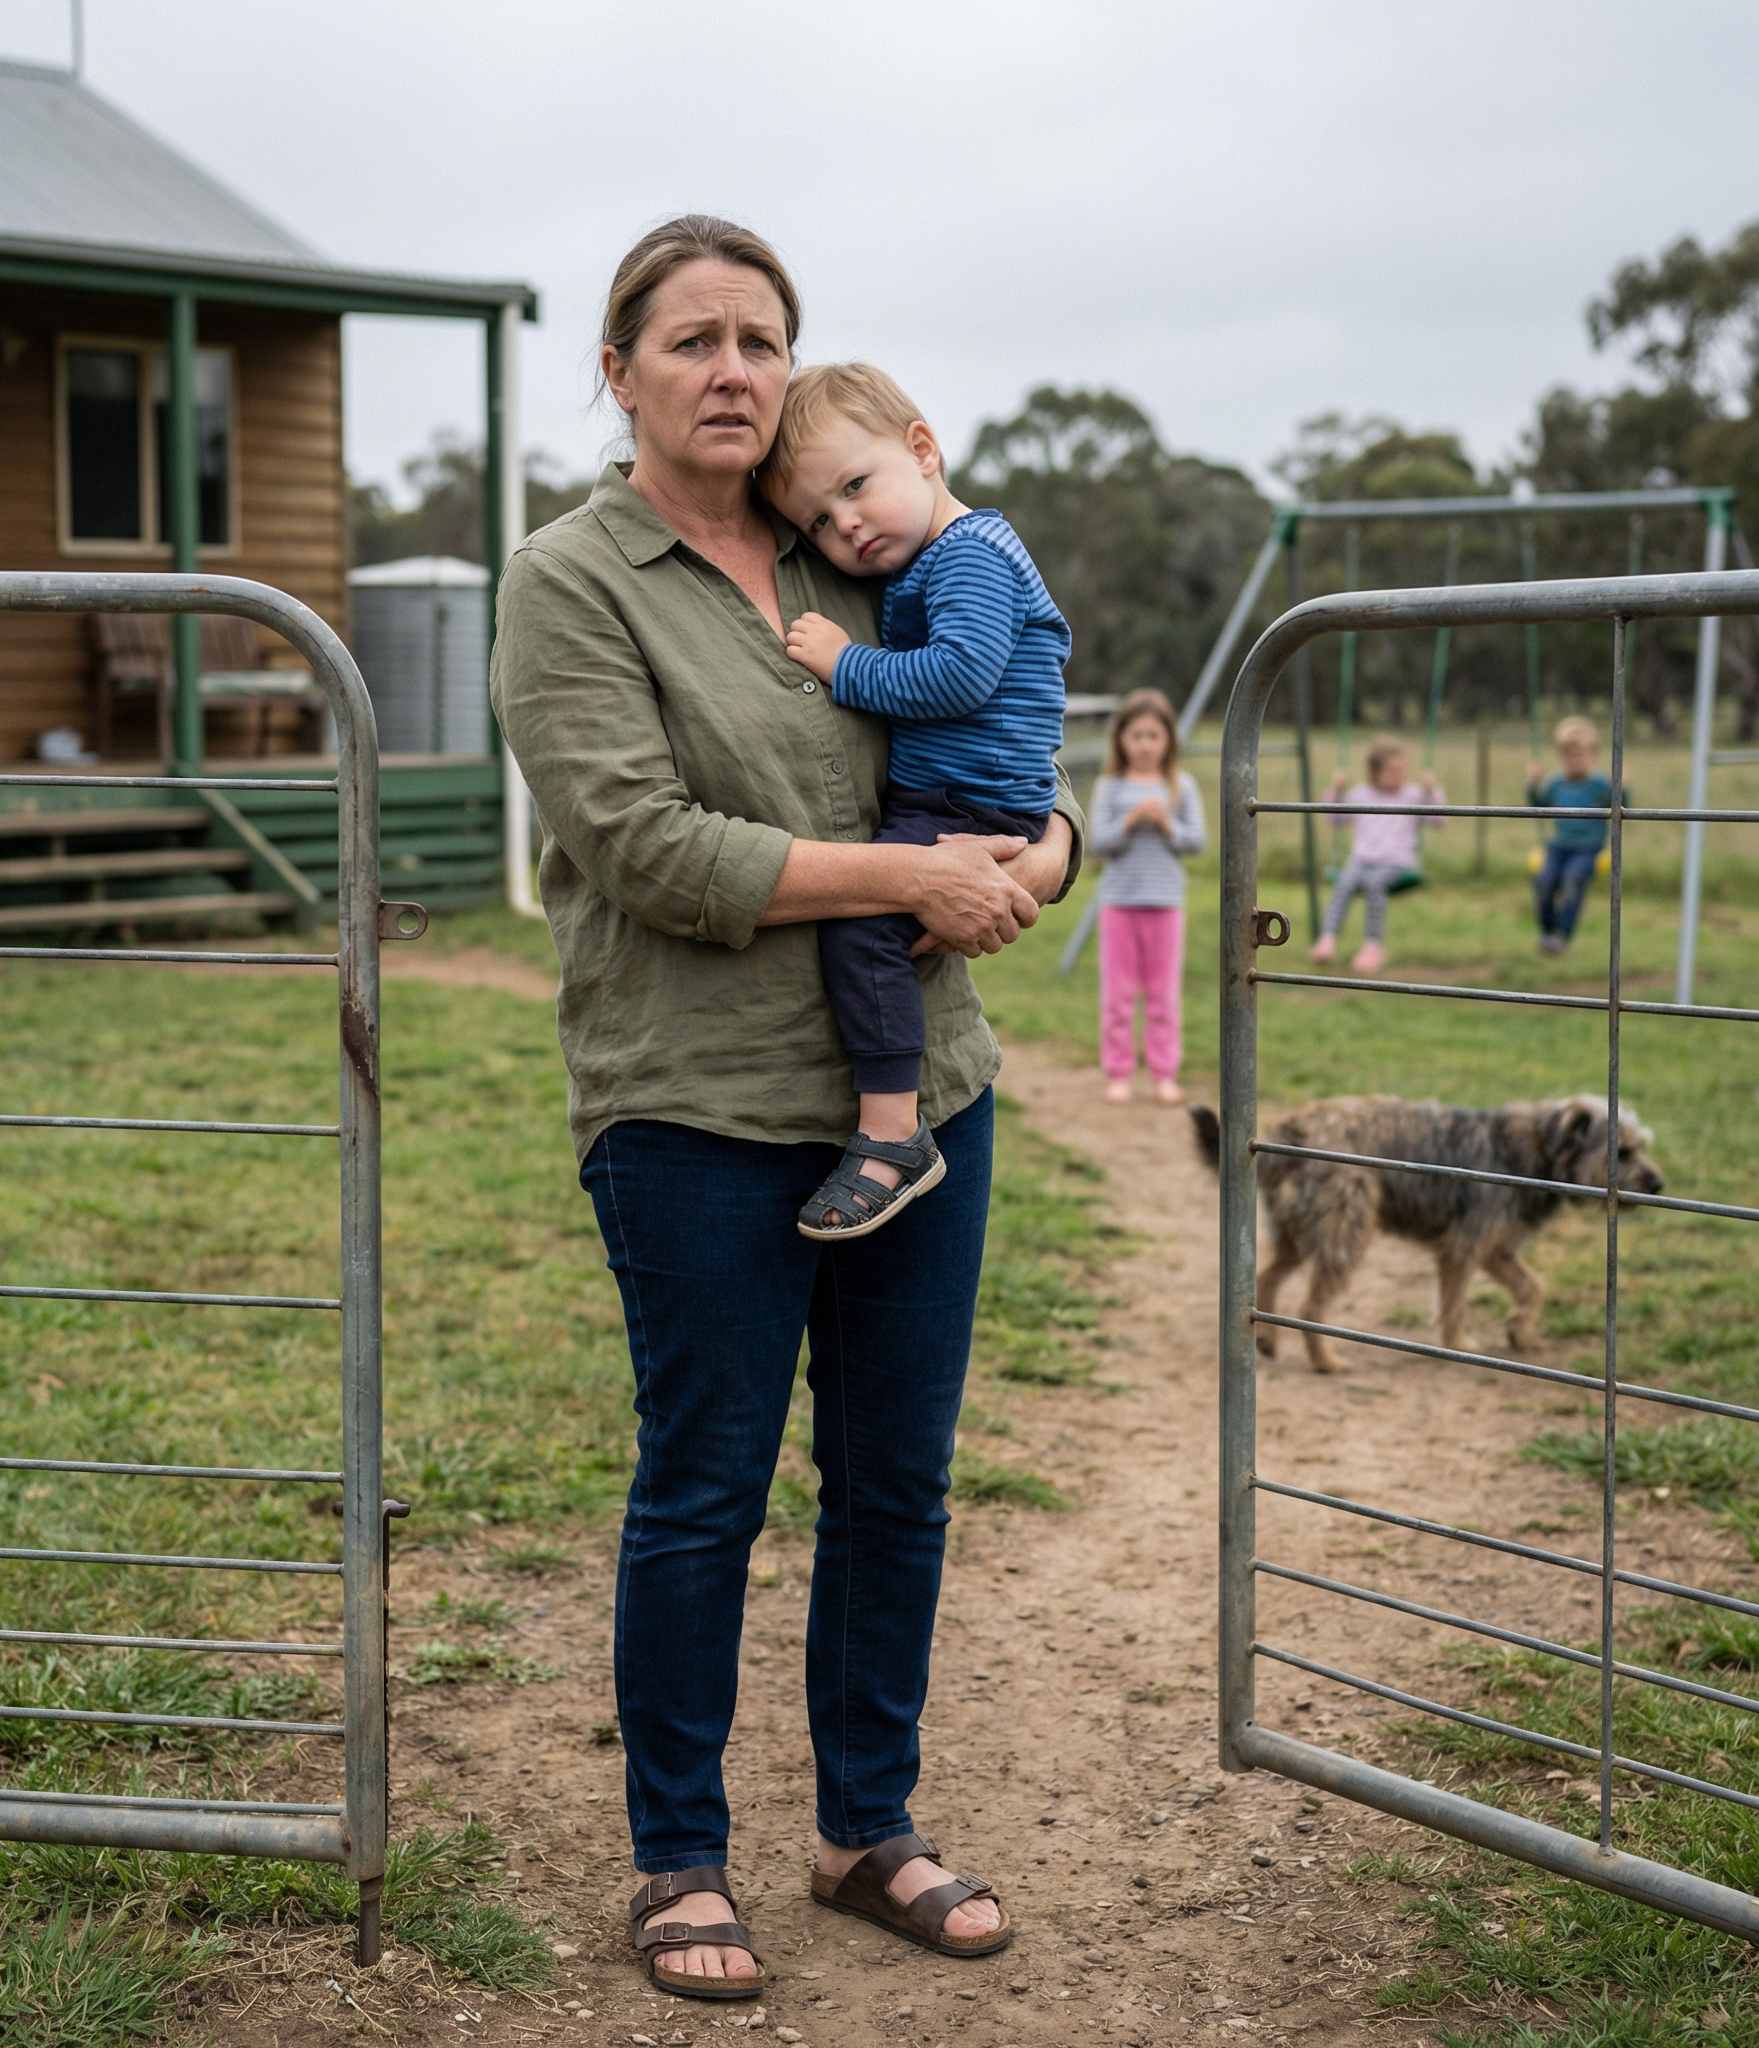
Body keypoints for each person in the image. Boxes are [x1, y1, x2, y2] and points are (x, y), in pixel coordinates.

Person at [488, 217, 1084, 2001]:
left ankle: (862, 1828)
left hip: (928, 1094)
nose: (733, 369)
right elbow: (648, 847)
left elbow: (1012, 732)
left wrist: (1042, 854)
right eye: (692, 340)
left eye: (761, 338)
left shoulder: (865, 541)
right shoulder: (570, 581)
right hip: (698, 1108)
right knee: (707, 1483)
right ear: (620, 373)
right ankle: (679, 1855)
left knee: (896, 1483)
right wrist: (910, 877)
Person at [759, 363, 1072, 1238]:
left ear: (923, 449)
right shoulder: (937, 557)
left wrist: (842, 663)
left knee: (863, 932)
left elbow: (960, 676)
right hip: (962, 794)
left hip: (969, 802)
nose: (846, 524)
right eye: (818, 522)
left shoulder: (971, 555)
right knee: (875, 932)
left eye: (855, 487)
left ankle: (894, 1134)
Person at [1086, 689, 1203, 1105]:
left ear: (1168, 739)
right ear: (1121, 739)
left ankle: (1163, 1074)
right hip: (1119, 905)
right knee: (1117, 998)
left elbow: (1197, 841)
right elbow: (1097, 843)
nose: (1145, 745)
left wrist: (1168, 824)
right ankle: (1118, 1074)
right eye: (1136, 735)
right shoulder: (1109, 786)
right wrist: (1131, 821)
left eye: (1154, 735)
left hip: (1166, 905)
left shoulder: (1181, 786)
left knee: (1163, 998)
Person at [1308, 737, 1442, 975]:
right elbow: (1336, 819)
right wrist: (1335, 790)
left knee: (1374, 884)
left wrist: (1432, 790)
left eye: (1402, 770)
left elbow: (1438, 821)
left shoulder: (1413, 795)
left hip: (1397, 863)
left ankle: (1373, 946)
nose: (1399, 775)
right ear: (1373, 772)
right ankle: (1327, 939)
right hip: (1361, 861)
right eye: (1392, 770)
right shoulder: (1361, 794)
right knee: (1344, 883)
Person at [1526, 716, 1618, 953]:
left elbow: (1620, 808)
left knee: (1572, 879)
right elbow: (1539, 807)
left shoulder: (1600, 784)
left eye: (1581, 755)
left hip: (1589, 848)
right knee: (1543, 881)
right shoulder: (1555, 783)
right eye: (1570, 756)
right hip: (1558, 846)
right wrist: (1532, 785)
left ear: (1594, 755)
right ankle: (1548, 931)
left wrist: (1621, 787)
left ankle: (1562, 935)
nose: (1576, 761)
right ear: (1561, 756)